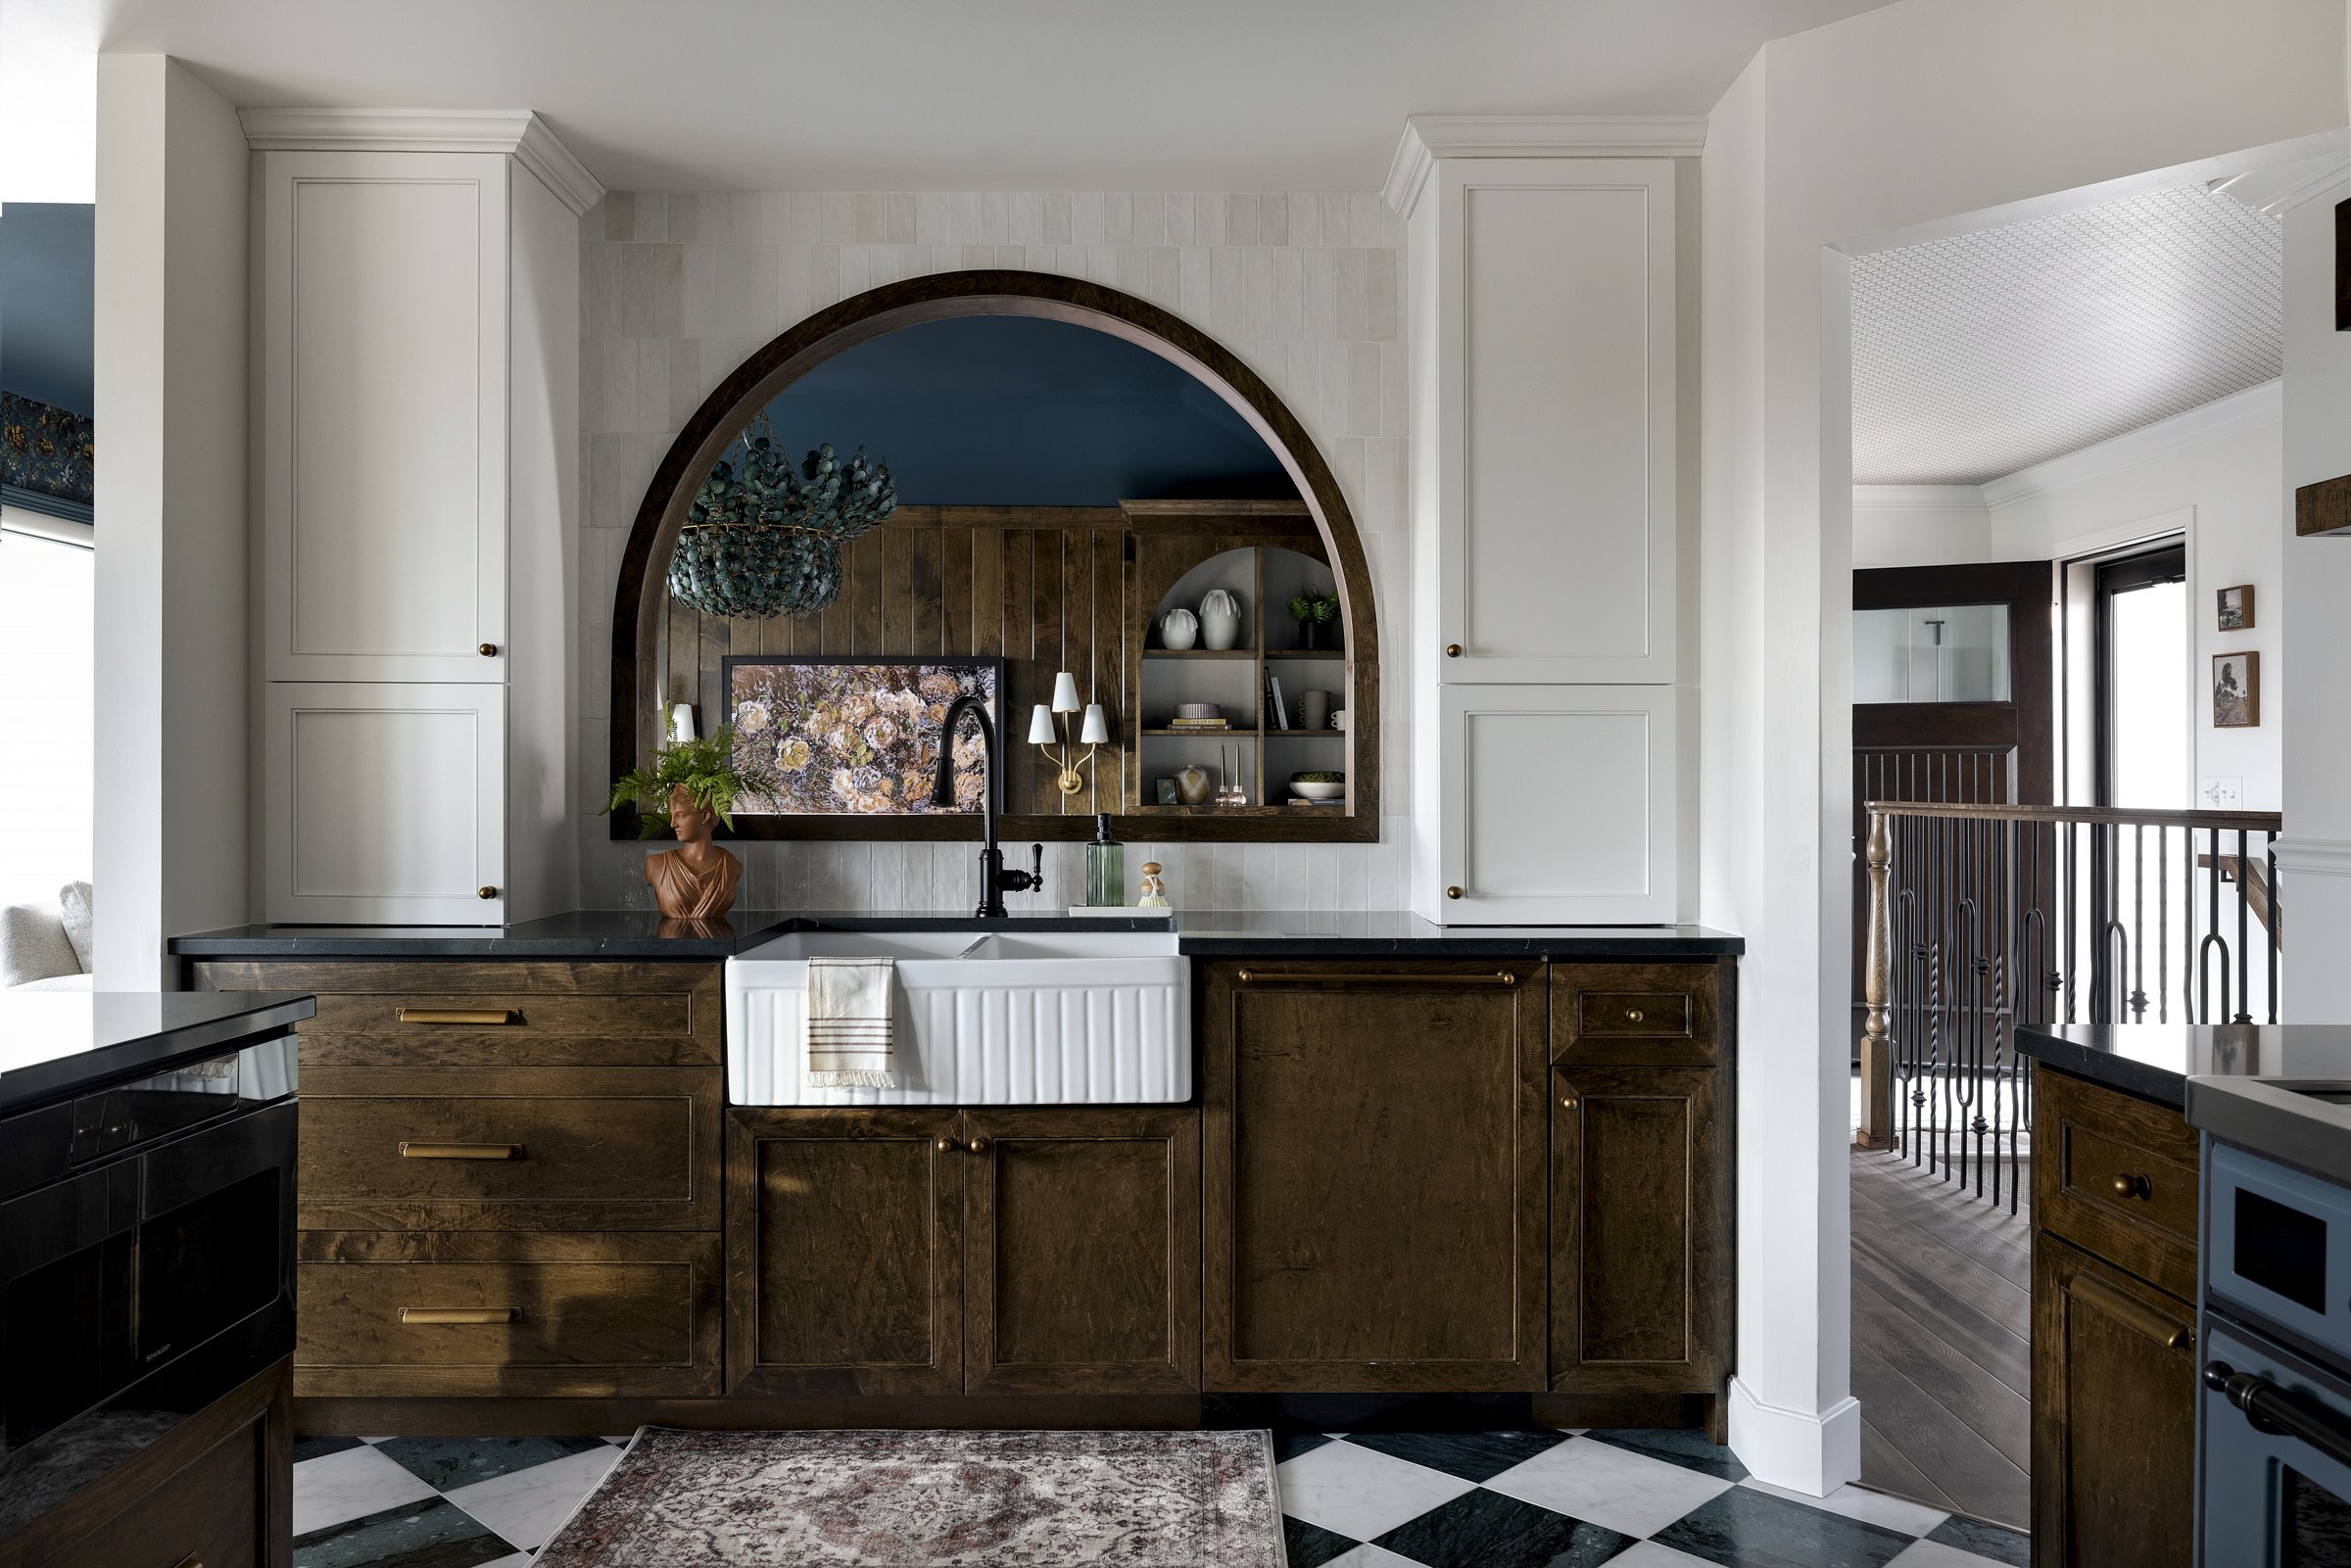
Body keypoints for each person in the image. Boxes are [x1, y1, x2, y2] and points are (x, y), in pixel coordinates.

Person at [646, 784, 743, 919]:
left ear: (705, 816)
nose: (673, 824)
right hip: (673, 932)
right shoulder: (656, 864)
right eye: (672, 815)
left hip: (719, 931)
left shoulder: (731, 866)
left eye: (681, 815)